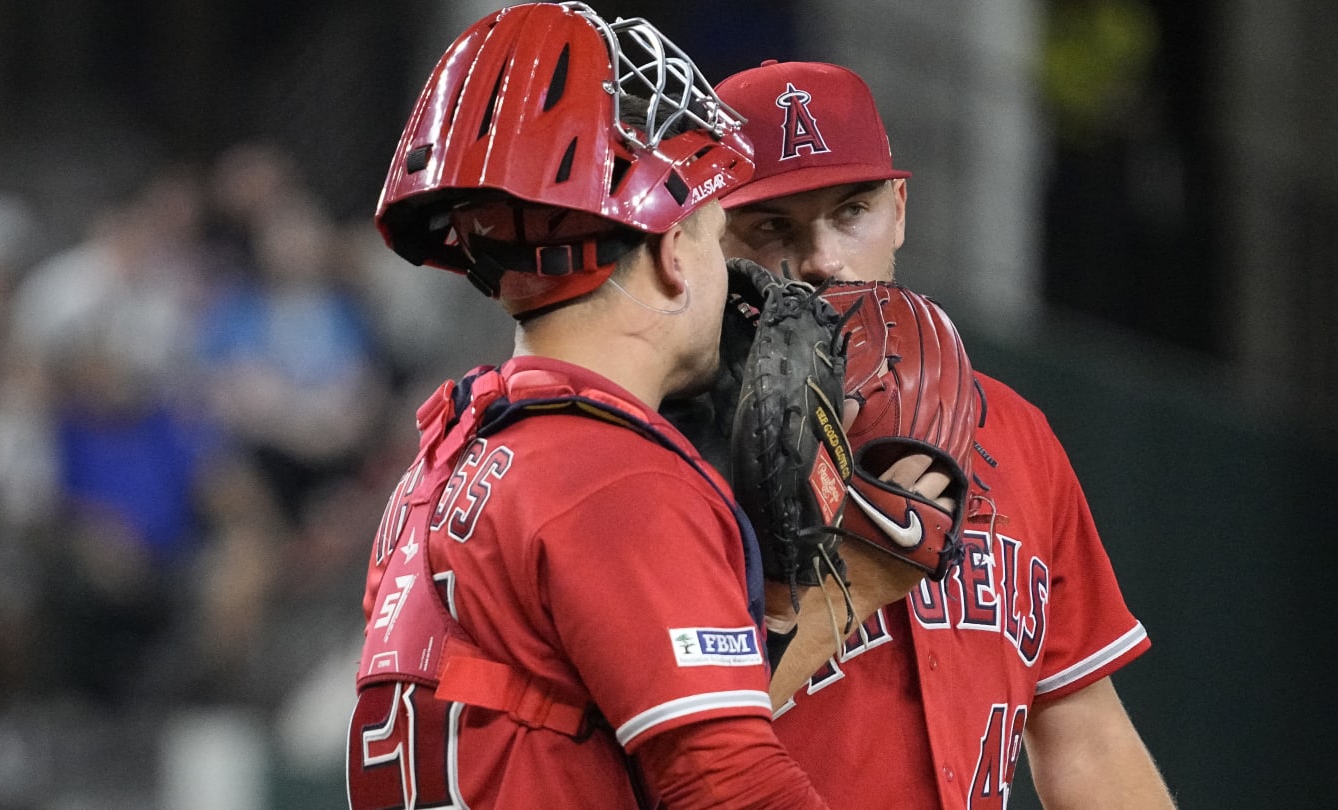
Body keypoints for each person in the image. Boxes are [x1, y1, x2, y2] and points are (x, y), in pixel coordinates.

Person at [347, 5, 834, 808]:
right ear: (674, 252)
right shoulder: (611, 479)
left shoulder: (447, 461)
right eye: (715, 235)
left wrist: (778, 609)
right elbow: (733, 789)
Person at [715, 59, 1177, 808]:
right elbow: (654, 734)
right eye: (773, 225)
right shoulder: (673, 445)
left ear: (899, 208)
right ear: (707, 240)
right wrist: (856, 584)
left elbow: (1084, 732)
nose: (822, 259)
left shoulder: (1017, 435)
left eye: (852, 210)